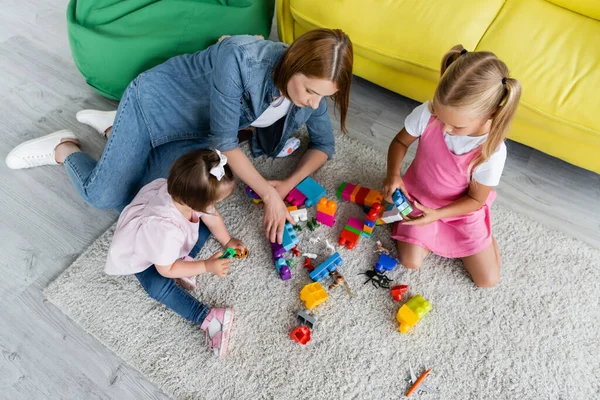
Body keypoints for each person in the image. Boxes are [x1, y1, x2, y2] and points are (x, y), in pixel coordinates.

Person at [6, 29, 354, 244]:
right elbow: (225, 144)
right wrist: (267, 192)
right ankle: (63, 147)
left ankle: (114, 128)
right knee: (103, 196)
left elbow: (325, 145)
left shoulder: (310, 99)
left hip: (196, 133)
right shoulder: (241, 58)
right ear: (293, 62)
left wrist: (288, 184)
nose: (313, 102)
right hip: (153, 106)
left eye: (323, 95)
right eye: (309, 90)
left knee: (141, 201)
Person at [382, 45, 522, 288]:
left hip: (461, 209)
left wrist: (437, 215)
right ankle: (435, 232)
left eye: (457, 126)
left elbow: (474, 200)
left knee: (488, 280)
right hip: (418, 197)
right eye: (441, 116)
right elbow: (400, 141)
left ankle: (483, 236)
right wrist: (393, 174)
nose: (445, 128)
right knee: (411, 262)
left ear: (490, 114)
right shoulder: (428, 113)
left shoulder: (492, 151)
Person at [105, 148, 247, 358]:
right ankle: (208, 317)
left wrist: (228, 241)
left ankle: (185, 263)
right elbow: (166, 269)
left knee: (206, 225)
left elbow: (211, 216)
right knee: (157, 287)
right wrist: (206, 266)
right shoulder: (164, 231)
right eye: (213, 202)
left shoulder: (182, 190)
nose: (214, 207)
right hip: (141, 254)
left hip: (165, 241)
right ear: (194, 201)